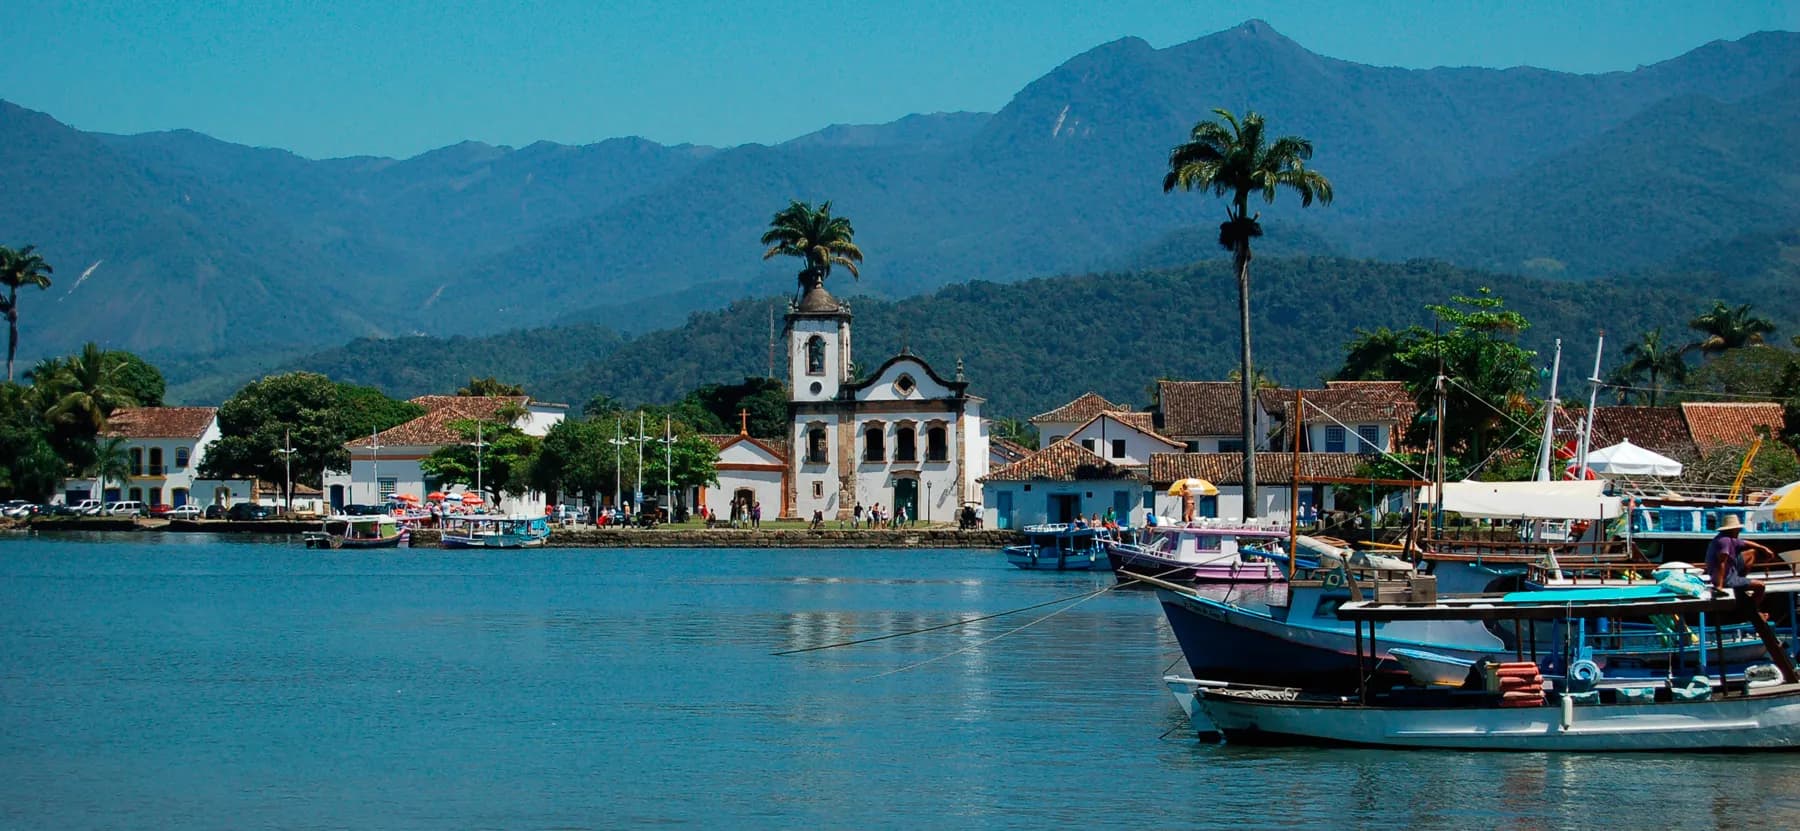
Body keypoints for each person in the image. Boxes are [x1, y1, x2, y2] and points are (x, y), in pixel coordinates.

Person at [1706, 514, 1772, 615]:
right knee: (1760, 586)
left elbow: (1745, 543)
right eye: (1737, 529)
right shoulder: (1724, 541)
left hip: (1730, 572)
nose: (1739, 531)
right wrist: (1719, 586)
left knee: (1751, 552)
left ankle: (1741, 580)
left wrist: (1763, 548)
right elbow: (1721, 563)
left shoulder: (1729, 539)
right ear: (1732, 530)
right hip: (1726, 578)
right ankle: (1751, 611)